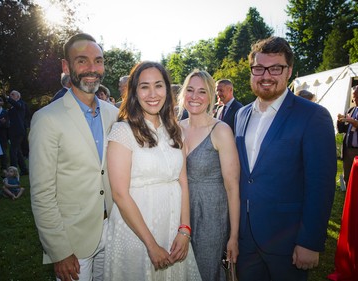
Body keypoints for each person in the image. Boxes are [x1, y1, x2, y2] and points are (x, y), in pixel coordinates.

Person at [234, 36, 337, 281]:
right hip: (245, 240)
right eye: (259, 68)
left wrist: (310, 241)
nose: (266, 75)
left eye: (276, 68)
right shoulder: (240, 115)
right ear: (251, 71)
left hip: (288, 243)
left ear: (289, 71)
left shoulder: (313, 116)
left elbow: (320, 185)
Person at [29, 33, 118, 281]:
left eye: (98, 61)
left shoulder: (114, 114)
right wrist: (59, 250)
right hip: (73, 241)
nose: (92, 68)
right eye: (82, 60)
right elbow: (42, 193)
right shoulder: (46, 119)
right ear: (66, 67)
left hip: (113, 231)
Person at [104, 61, 201, 280]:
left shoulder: (175, 130)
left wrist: (185, 230)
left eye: (158, 85)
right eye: (144, 86)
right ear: (134, 93)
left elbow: (183, 181)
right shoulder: (122, 131)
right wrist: (151, 244)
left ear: (167, 89)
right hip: (137, 233)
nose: (152, 94)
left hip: (174, 227)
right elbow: (119, 194)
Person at [177, 70, 240, 281]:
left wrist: (233, 236)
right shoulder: (175, 129)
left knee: (206, 273)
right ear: (183, 93)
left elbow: (232, 187)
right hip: (178, 212)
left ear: (211, 96)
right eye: (190, 90)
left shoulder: (220, 131)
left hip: (211, 216)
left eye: (202, 92)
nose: (195, 97)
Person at [4, 90, 28, 176]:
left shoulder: (21, 103)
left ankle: (13, 171)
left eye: (12, 94)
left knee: (12, 151)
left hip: (18, 131)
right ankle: (24, 170)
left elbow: (17, 105)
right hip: (12, 131)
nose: (10, 96)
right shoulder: (12, 107)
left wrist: (7, 98)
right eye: (10, 95)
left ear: (18, 96)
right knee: (17, 151)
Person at [337, 86, 358, 186]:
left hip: (357, 150)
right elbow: (342, 130)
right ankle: (349, 199)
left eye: (357, 97)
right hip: (347, 150)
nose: (354, 100)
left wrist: (354, 123)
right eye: (353, 97)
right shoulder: (351, 110)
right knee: (347, 176)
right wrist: (340, 121)